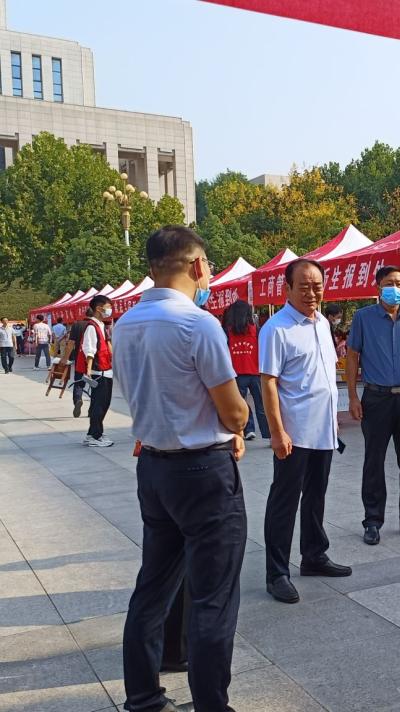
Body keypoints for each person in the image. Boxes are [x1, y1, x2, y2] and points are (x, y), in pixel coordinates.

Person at [114, 225, 250, 712]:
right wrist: (240, 420)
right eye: (207, 265)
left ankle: (143, 697)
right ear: (196, 266)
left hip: (154, 467)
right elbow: (233, 412)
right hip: (203, 472)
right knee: (213, 598)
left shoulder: (124, 324)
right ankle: (212, 704)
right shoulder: (198, 324)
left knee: (153, 587)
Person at [260, 259, 352, 604]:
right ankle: (277, 573)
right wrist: (276, 431)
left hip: (323, 430)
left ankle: (314, 555)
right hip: (294, 432)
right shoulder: (277, 329)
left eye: (317, 286)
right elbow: (268, 383)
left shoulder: (323, 323)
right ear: (287, 288)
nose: (312, 293)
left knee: (316, 495)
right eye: (304, 286)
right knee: (284, 501)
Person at [348, 265, 400, 546]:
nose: (394, 288)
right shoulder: (363, 318)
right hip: (376, 398)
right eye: (388, 283)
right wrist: (352, 396)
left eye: (399, 283)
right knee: (374, 461)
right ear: (378, 287)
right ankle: (372, 521)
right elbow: (352, 356)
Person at [223, 300, 269, 441]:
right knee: (262, 405)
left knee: (241, 404)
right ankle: (268, 434)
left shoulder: (228, 331)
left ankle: (248, 429)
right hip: (255, 373)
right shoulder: (256, 330)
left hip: (237, 374)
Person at [79, 295, 115, 447]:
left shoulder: (101, 325)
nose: (110, 309)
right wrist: (88, 370)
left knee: (103, 403)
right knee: (99, 405)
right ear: (99, 308)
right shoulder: (91, 326)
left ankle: (94, 433)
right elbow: (89, 350)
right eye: (108, 306)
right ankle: (94, 435)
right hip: (98, 371)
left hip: (106, 370)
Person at [67, 316, 90, 417]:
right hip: (94, 359)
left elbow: (71, 342)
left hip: (79, 357)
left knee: (78, 381)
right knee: (95, 384)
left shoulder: (76, 325)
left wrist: (65, 357)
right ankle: (92, 408)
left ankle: (78, 399)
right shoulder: (97, 325)